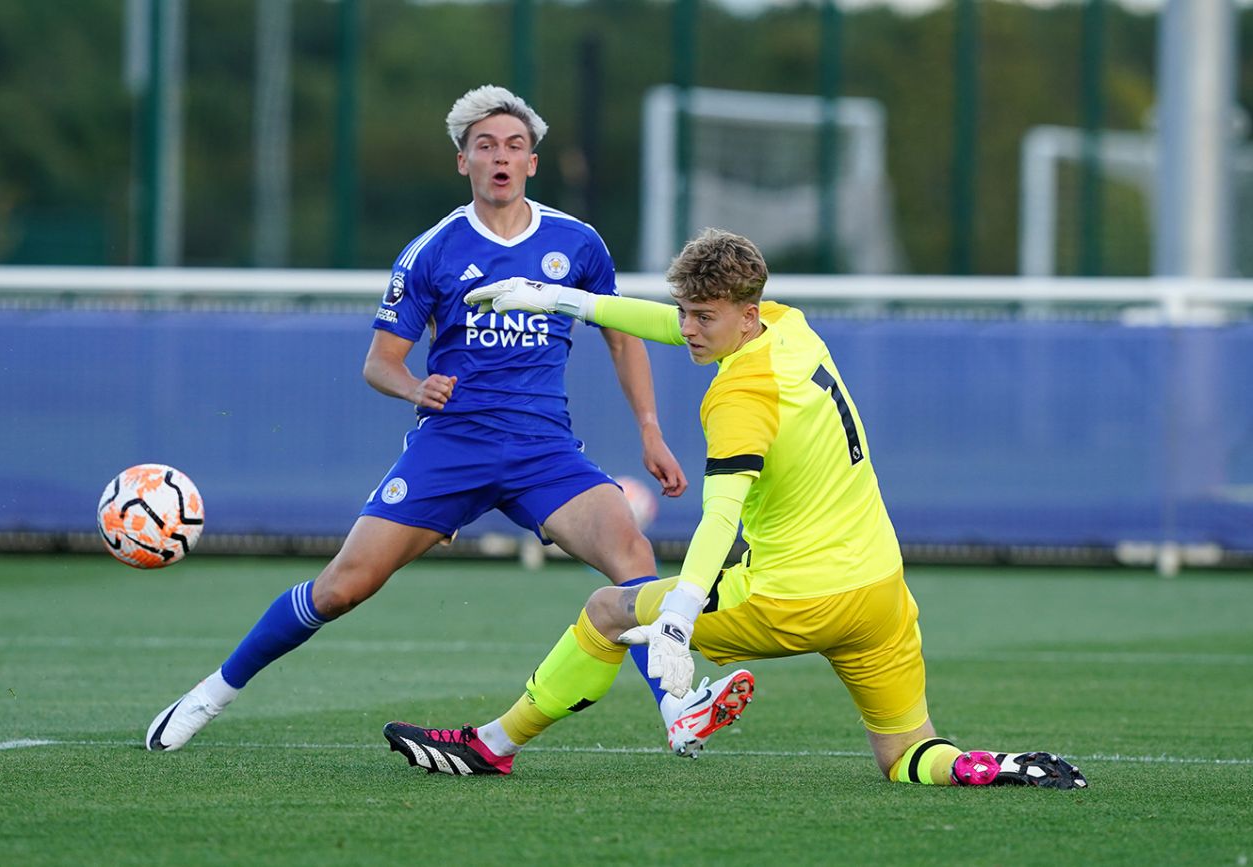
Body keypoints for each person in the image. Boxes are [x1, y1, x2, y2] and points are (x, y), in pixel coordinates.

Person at [381, 229, 1088, 790]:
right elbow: (672, 324)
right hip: (879, 594)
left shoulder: (740, 398)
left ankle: (492, 747)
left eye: (703, 317)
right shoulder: (788, 325)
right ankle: (984, 766)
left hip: (792, 597)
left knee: (606, 609)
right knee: (906, 752)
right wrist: (562, 299)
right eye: (686, 311)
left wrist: (681, 611)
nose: (688, 330)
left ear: (743, 314)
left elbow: (721, 515)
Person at [145, 85, 689, 752]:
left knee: (632, 553)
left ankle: (678, 709)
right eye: (485, 146)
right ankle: (212, 692)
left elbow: (622, 333)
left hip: (543, 451)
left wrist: (651, 430)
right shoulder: (432, 250)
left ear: (532, 163)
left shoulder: (576, 243)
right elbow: (379, 362)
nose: (501, 157)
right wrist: (413, 387)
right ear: (463, 161)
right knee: (343, 587)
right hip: (452, 447)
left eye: (514, 146)